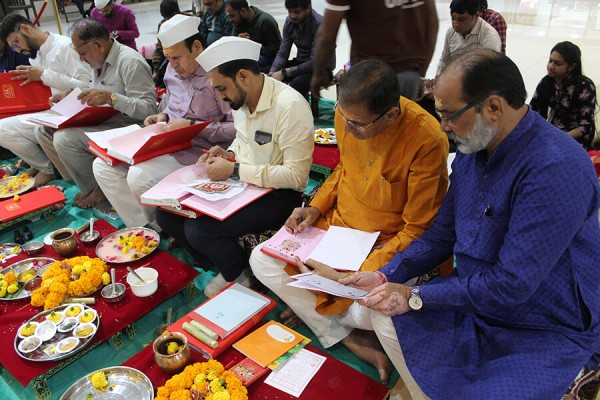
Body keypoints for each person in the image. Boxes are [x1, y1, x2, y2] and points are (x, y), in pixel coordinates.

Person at [338, 49, 600, 400]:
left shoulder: (556, 168)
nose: (443, 126)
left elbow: (512, 284)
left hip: (543, 321)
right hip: (477, 297)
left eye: (448, 115)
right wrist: (387, 275)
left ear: (493, 107)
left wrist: (415, 296)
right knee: (387, 313)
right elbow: (442, 235)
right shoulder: (472, 150)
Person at [251, 59, 449, 384]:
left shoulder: (426, 139)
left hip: (383, 245)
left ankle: (339, 319)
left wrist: (357, 274)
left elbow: (417, 228)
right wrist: (315, 208)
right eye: (343, 117)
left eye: (358, 124)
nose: (348, 128)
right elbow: (343, 170)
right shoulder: (348, 116)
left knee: (375, 309)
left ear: (390, 115)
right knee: (262, 261)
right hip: (336, 229)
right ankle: (347, 337)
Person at [156, 37, 314, 298]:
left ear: (243, 76)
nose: (220, 97)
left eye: (221, 89)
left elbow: (296, 176)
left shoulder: (290, 105)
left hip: (279, 194)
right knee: (168, 214)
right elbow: (243, 140)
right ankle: (221, 262)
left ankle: (242, 276)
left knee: (198, 230)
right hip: (244, 183)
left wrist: (236, 170)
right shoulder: (241, 101)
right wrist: (228, 154)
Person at [93, 15, 236, 228]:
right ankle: (146, 227)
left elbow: (236, 128)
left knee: (139, 175)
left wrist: (192, 126)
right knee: (102, 166)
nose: (173, 65)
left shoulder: (217, 75)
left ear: (196, 46)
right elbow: (172, 105)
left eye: (177, 57)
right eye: (168, 58)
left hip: (200, 152)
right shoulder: (172, 69)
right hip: (166, 143)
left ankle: (166, 227)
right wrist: (162, 116)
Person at [34, 19, 156, 208]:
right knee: (46, 129)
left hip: (131, 127)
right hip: (107, 120)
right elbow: (96, 89)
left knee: (65, 139)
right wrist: (71, 96)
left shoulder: (129, 61)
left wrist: (112, 98)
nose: (82, 59)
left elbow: (149, 109)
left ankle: (100, 189)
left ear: (98, 44)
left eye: (82, 53)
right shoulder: (98, 61)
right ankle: (90, 187)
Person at [0, 13, 91, 186]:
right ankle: (45, 167)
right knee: (3, 128)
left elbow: (88, 86)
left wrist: (44, 75)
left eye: (16, 43)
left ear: (25, 29)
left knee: (38, 129)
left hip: (78, 112)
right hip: (53, 111)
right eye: (13, 47)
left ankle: (50, 171)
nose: (18, 50)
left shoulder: (64, 46)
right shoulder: (35, 56)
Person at [310, 0, 438, 101]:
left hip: (370, 77)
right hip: (409, 74)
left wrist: (318, 73)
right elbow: (432, 22)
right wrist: (421, 72)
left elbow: (327, 37)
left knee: (366, 129)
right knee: (399, 130)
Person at [530, 41, 596, 150]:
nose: (551, 66)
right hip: (554, 132)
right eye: (550, 61)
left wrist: (559, 137)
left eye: (557, 63)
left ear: (571, 66)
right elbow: (532, 109)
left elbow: (585, 126)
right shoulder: (547, 82)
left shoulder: (585, 87)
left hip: (575, 138)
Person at [269, 0, 333, 102]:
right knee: (265, 73)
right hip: (301, 63)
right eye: (290, 12)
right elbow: (283, 52)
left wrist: (285, 72)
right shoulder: (289, 21)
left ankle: (300, 114)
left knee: (297, 84)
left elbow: (314, 62)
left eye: (297, 12)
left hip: (321, 69)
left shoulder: (319, 24)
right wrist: (273, 72)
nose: (292, 16)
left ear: (308, 8)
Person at [436, 0, 500, 75]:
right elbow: (444, 60)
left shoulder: (489, 37)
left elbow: (486, 73)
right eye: (453, 18)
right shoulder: (451, 31)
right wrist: (438, 78)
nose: (455, 24)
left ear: (476, 16)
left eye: (461, 19)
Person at [225, 0, 281, 72]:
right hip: (247, 54)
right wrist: (239, 40)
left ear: (243, 11)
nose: (230, 20)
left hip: (266, 56)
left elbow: (276, 49)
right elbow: (233, 42)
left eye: (232, 16)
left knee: (239, 66)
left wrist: (251, 45)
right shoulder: (238, 21)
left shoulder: (265, 21)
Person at [152, 0, 181, 86]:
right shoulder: (162, 24)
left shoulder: (188, 21)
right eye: (165, 17)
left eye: (169, 17)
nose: (167, 20)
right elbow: (159, 47)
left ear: (176, 13)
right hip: (169, 59)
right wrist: (156, 69)